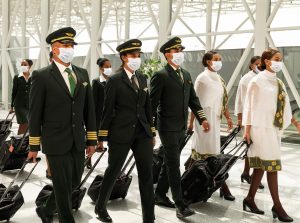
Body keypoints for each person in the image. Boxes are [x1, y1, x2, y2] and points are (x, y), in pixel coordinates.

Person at [27, 27, 97, 223]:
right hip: (55, 140)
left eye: (71, 45)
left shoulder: (81, 74)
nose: (69, 49)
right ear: (54, 48)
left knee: (74, 182)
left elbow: (89, 110)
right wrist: (34, 145)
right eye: (65, 45)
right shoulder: (42, 76)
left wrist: (91, 138)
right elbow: (35, 113)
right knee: (61, 184)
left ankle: (46, 210)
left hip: (77, 140)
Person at [96, 39, 156, 223]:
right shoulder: (114, 80)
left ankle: (149, 218)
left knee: (146, 174)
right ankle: (100, 207)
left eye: (138, 55)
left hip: (142, 133)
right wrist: (101, 137)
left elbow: (147, 107)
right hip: (120, 133)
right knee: (113, 171)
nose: (136, 58)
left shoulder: (143, 78)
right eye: (132, 55)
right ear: (123, 57)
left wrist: (152, 132)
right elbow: (107, 110)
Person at [150, 37, 210, 219]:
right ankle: (180, 204)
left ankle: (159, 195)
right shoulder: (160, 75)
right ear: (167, 54)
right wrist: (151, 130)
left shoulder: (185, 74)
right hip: (167, 127)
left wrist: (202, 118)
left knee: (170, 162)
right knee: (173, 164)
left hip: (181, 126)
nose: (179, 54)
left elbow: (193, 99)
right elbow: (151, 105)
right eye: (176, 51)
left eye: (180, 51)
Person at [243, 48, 300, 222]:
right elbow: (249, 107)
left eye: (280, 59)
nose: (279, 62)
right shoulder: (256, 81)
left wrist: (296, 123)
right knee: (272, 166)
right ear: (266, 61)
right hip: (260, 129)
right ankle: (277, 206)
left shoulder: (278, 83)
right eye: (276, 59)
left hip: (273, 130)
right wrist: (246, 131)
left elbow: (285, 108)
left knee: (261, 166)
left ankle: (249, 199)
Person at [188, 51, 235, 201]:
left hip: (215, 119)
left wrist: (228, 117)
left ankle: (191, 176)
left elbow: (222, 101)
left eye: (220, 59)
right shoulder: (202, 78)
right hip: (204, 121)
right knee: (207, 153)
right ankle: (221, 186)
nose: (219, 61)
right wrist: (191, 124)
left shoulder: (219, 78)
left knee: (213, 153)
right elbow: (194, 103)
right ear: (208, 61)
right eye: (216, 59)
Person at [235, 56, 264, 189]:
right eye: (256, 64)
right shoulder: (246, 79)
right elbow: (240, 101)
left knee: (253, 147)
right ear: (251, 65)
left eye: (260, 64)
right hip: (248, 119)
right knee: (251, 148)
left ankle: (247, 173)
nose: (259, 66)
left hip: (258, 118)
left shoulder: (262, 78)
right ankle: (249, 174)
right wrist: (240, 120)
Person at [86, 58, 112, 169]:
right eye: (107, 66)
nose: (109, 68)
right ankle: (88, 159)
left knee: (112, 141)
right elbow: (93, 101)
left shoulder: (113, 80)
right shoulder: (96, 82)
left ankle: (113, 164)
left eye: (110, 66)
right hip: (99, 116)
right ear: (101, 68)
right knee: (93, 140)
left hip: (110, 116)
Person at [11, 59, 33, 135]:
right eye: (22, 64)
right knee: (25, 123)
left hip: (29, 105)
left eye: (25, 64)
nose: (23, 66)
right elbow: (14, 92)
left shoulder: (33, 77)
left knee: (25, 125)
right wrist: (11, 106)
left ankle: (19, 143)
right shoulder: (17, 77)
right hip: (19, 105)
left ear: (29, 66)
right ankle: (19, 143)